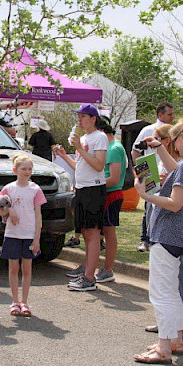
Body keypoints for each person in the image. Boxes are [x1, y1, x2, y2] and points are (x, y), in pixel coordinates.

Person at [133, 113, 183, 364]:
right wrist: (158, 150)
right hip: (179, 236)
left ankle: (164, 347)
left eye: (173, 142)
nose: (173, 147)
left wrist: (147, 195)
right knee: (171, 291)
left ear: (182, 137)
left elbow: (175, 203)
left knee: (161, 293)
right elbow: (177, 173)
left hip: (167, 234)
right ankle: (174, 338)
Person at [54, 103, 108, 292]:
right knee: (85, 233)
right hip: (82, 188)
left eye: (84, 116)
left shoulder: (99, 137)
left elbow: (99, 165)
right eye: (79, 116)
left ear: (94, 118)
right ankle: (87, 272)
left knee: (92, 234)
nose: (80, 119)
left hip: (94, 190)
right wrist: (64, 155)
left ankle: (89, 277)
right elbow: (81, 166)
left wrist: (79, 148)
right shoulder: (84, 138)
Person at [0, 153, 46, 316]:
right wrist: (9, 210)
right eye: (23, 168)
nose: (27, 171)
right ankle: (15, 301)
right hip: (12, 234)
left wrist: (37, 237)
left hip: (28, 234)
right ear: (15, 170)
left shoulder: (35, 189)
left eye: (30, 169)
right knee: (13, 267)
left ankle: (25, 302)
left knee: (27, 268)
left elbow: (38, 215)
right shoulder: (9, 189)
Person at [132, 102, 175, 252]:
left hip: (167, 172)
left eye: (173, 114)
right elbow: (135, 151)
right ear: (160, 115)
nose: (172, 117)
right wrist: (141, 170)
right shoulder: (148, 130)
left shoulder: (174, 131)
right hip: (150, 170)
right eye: (169, 114)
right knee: (149, 207)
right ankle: (145, 239)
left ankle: (161, 239)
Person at [95, 119, 126, 283]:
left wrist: (94, 184)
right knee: (103, 232)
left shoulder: (114, 148)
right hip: (106, 193)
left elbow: (113, 178)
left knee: (109, 232)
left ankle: (108, 268)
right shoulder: (111, 147)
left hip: (112, 194)